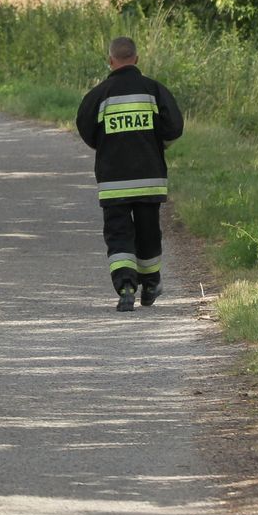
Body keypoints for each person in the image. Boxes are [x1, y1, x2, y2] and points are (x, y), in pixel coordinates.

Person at [76, 36, 185, 311]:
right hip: (150, 180)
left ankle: (125, 287)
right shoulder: (154, 91)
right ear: (136, 59)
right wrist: (158, 145)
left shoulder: (98, 96)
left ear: (111, 60)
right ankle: (150, 284)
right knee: (149, 232)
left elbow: (87, 131)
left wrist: (107, 146)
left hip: (114, 184)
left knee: (119, 234)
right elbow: (174, 128)